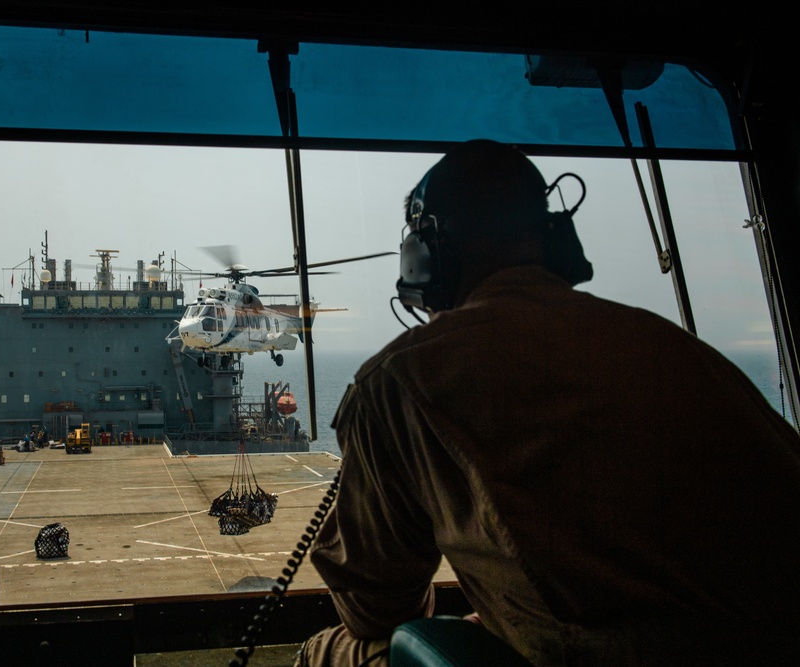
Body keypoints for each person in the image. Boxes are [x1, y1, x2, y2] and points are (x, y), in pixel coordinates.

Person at [297, 140, 800, 666]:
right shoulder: (673, 346)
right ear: (554, 237)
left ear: (424, 255)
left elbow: (374, 610)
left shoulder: (400, 377)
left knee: (329, 651)